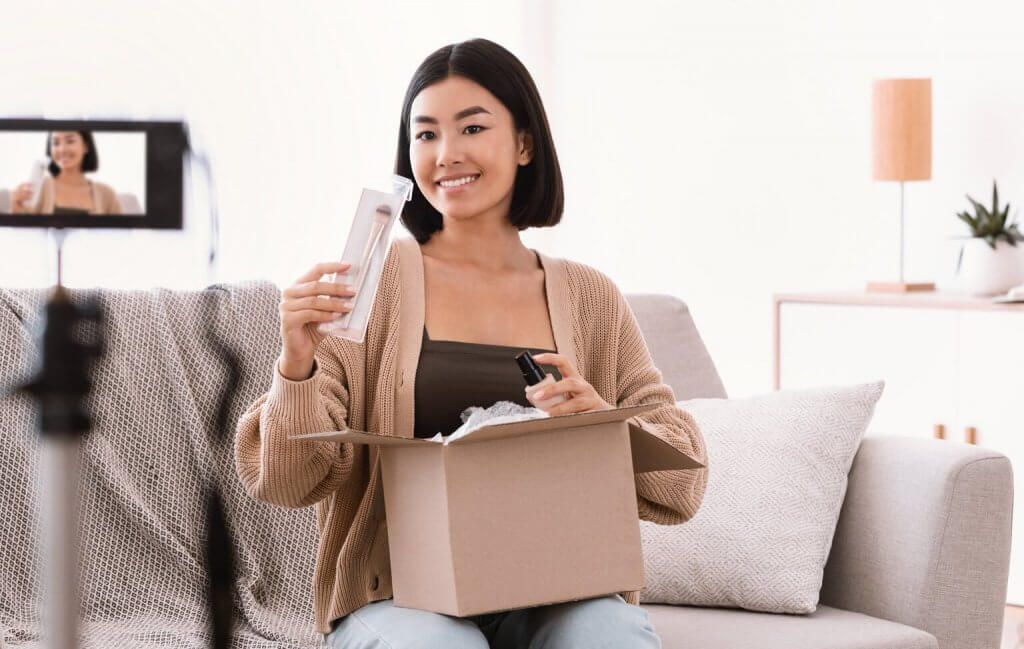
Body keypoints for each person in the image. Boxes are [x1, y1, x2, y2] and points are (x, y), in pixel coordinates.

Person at [235, 37, 708, 648]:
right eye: (425, 134)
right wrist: (296, 364)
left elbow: (682, 486)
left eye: (472, 127)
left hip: (554, 589)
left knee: (608, 634)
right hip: (398, 598)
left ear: (525, 143)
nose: (446, 153)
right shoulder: (369, 287)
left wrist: (603, 423)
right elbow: (288, 482)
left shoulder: (592, 297)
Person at [9, 130, 122, 214]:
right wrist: (16, 207)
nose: (62, 149)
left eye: (70, 141)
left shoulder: (107, 194)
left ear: (86, 147)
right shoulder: (39, 188)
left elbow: (122, 238)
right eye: (56, 143)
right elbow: (26, 237)